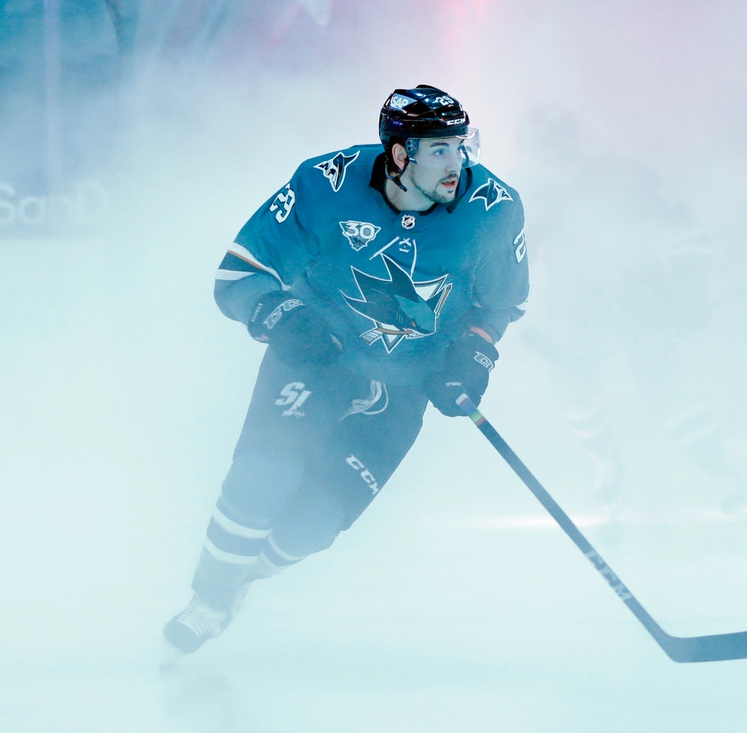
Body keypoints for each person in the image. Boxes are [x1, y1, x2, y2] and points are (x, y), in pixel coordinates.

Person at [163, 85, 529, 653]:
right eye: (438, 150)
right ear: (400, 155)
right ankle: (207, 601)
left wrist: (472, 356)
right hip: (318, 361)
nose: (456, 163)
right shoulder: (325, 184)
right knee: (263, 478)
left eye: (461, 146)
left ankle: (240, 582)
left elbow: (498, 304)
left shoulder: (495, 209)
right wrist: (282, 317)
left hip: (405, 386)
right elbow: (239, 274)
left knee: (312, 524)